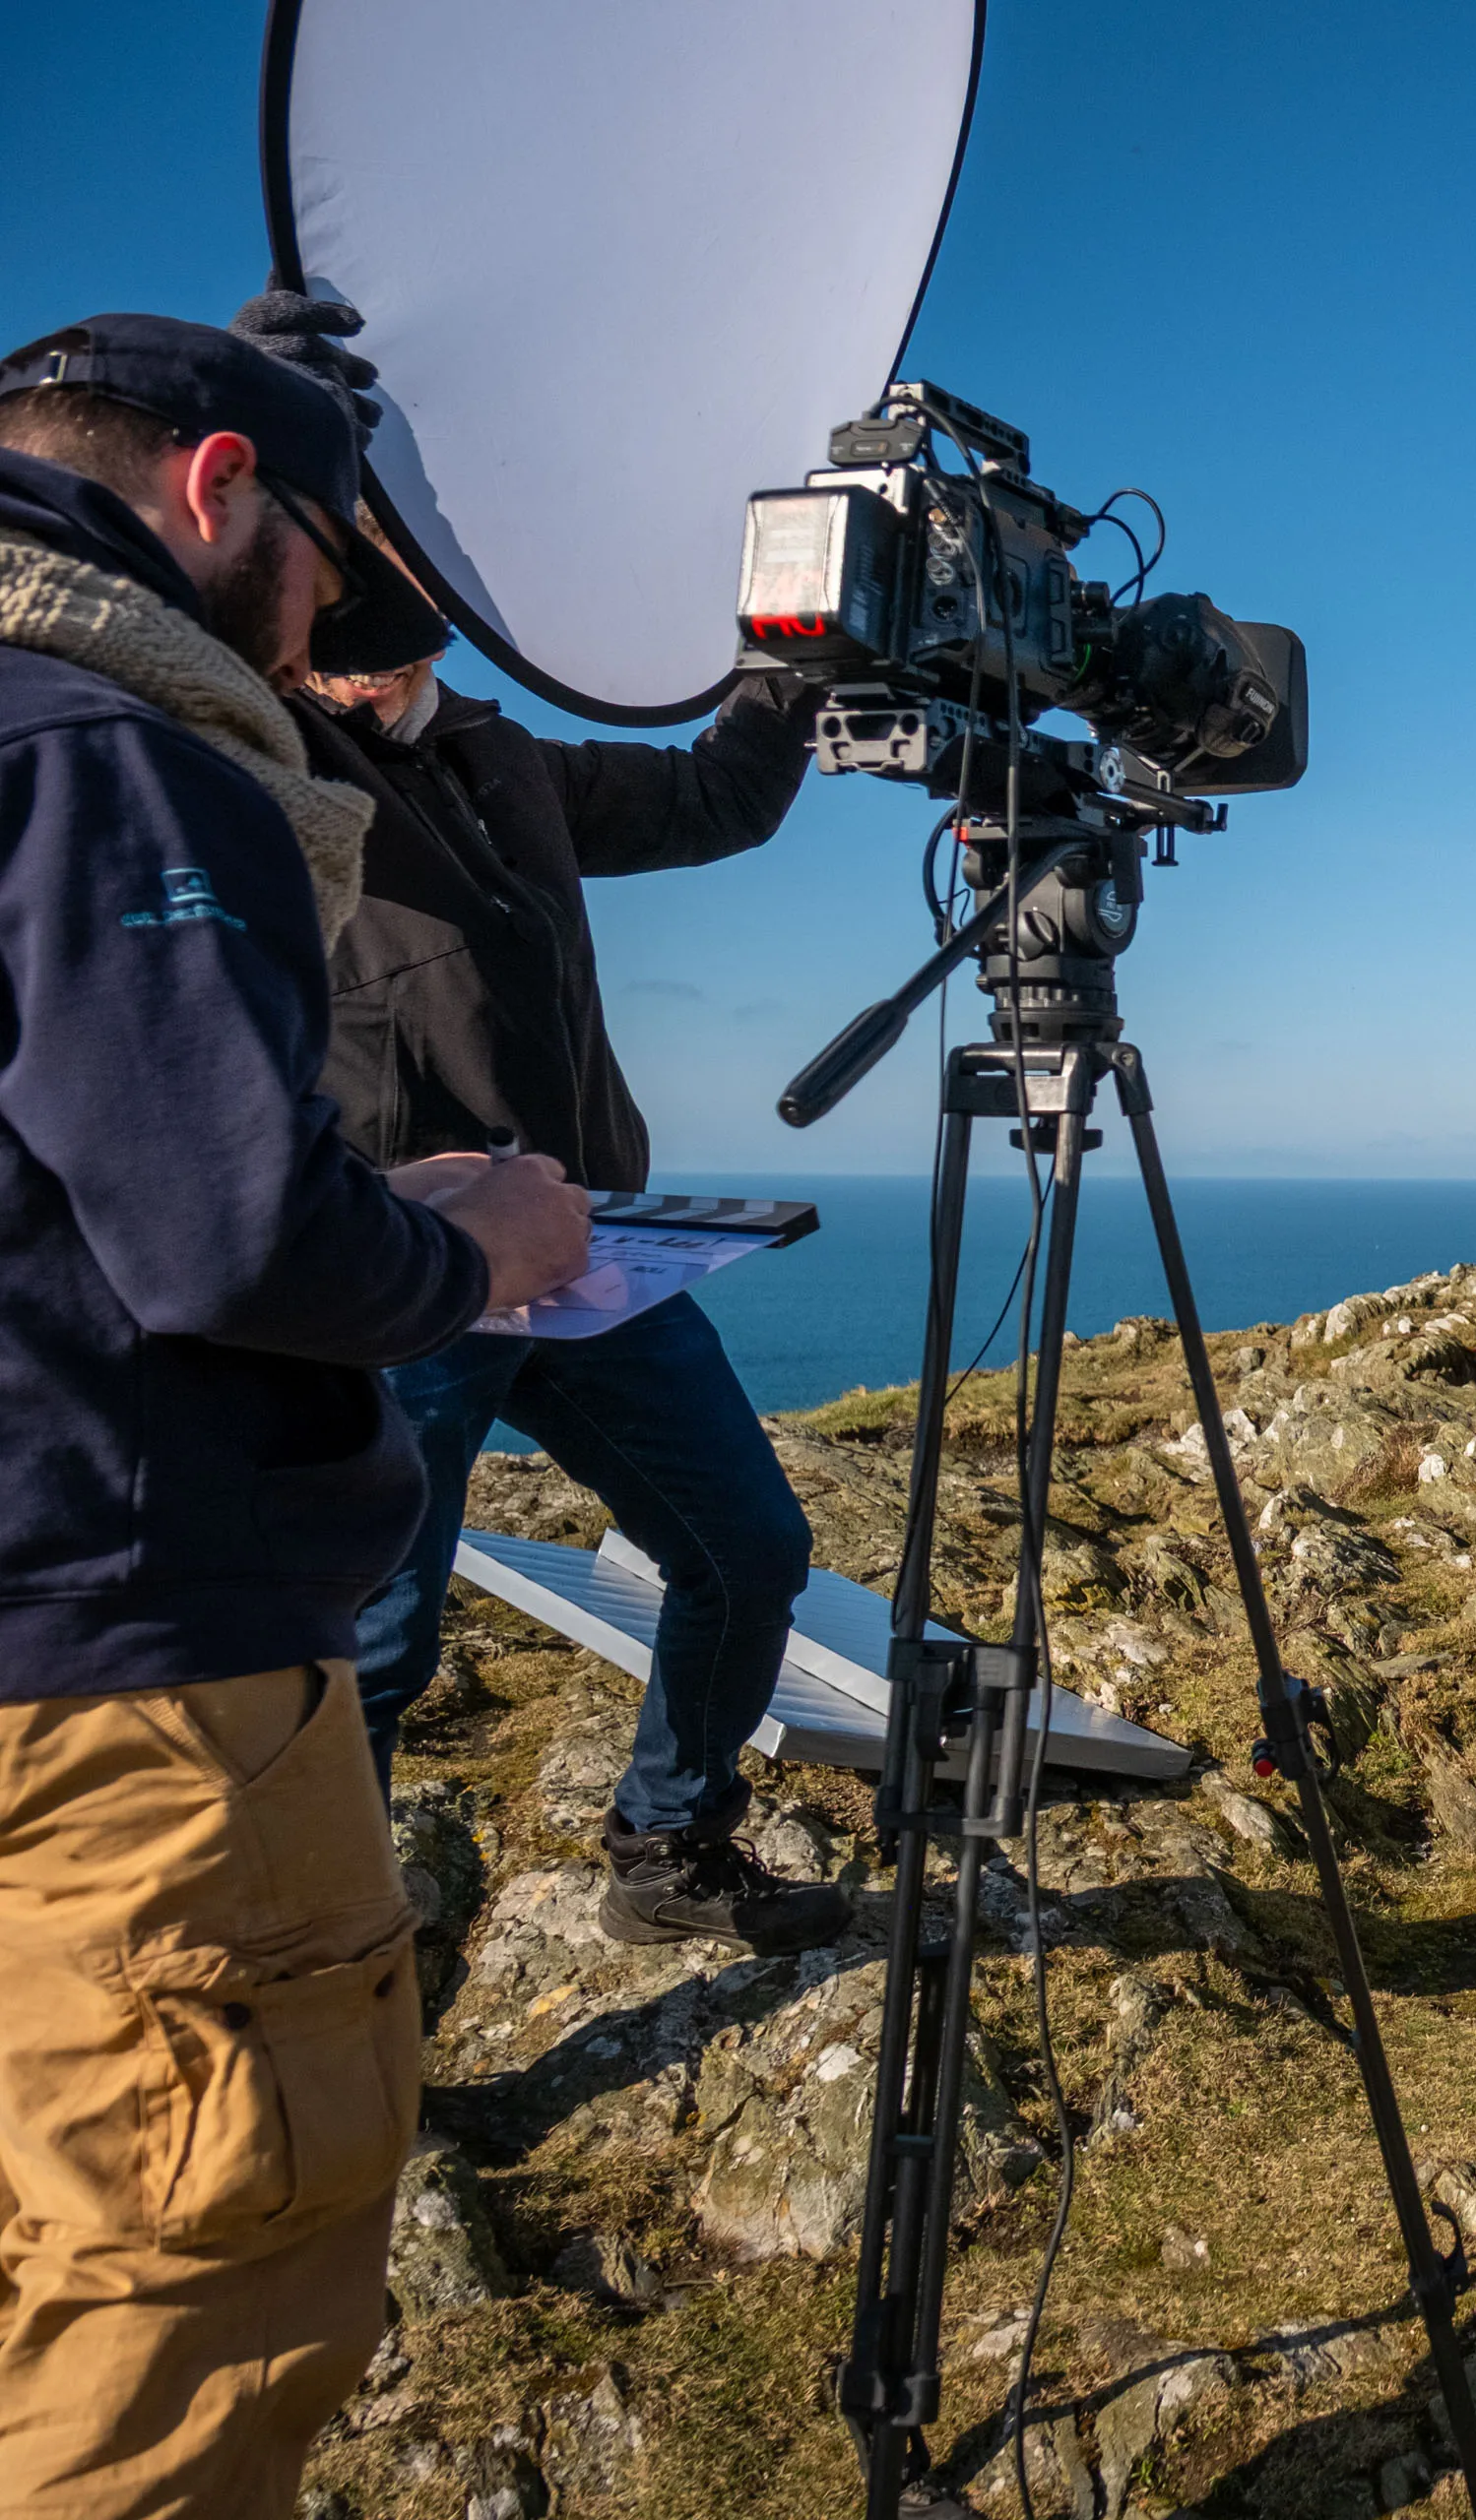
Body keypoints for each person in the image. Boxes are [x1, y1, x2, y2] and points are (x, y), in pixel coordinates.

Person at [0, 313, 593, 2517]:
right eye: (324, 569)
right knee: (185, 2305)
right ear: (216, 485)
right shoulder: (108, 757)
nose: (325, 618)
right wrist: (468, 1250)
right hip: (121, 1673)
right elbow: (229, 1240)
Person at [229, 290, 846, 1955]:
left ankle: (669, 1848)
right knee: (374, 1651)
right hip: (397, 1273)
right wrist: (269, 402)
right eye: (348, 563)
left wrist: (792, 652)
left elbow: (716, 799)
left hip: (584, 1250)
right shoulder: (247, 753)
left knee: (745, 1549)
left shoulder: (507, 763)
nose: (385, 620)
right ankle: (327, 1987)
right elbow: (164, 636)